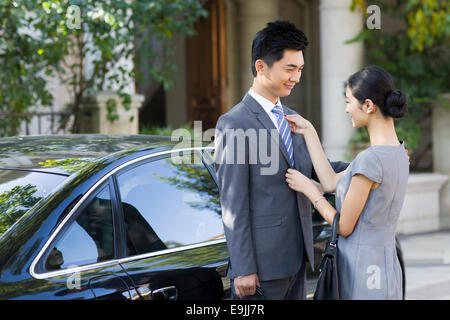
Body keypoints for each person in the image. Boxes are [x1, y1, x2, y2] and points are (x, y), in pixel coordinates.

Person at [214, 20, 347, 300]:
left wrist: (370, 164)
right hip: (262, 270)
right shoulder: (234, 123)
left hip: (298, 261)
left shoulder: (293, 120)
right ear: (261, 66)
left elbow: (316, 169)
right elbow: (233, 204)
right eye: (290, 69)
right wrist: (243, 268)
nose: (296, 77)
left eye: (299, 69)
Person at [285, 65, 409, 299]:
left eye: (349, 101)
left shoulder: (370, 160)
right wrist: (309, 131)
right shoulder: (398, 153)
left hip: (361, 269)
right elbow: (331, 182)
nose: (346, 109)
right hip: (387, 266)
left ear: (368, 106)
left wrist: (311, 192)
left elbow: (343, 227)